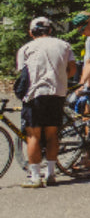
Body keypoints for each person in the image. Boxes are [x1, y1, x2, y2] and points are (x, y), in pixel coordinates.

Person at [16, 17, 77, 188]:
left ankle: (35, 177)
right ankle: (51, 174)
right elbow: (72, 69)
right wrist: (61, 79)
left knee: (33, 135)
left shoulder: (26, 48)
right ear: (50, 30)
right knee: (52, 135)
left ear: (31, 32)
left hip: (35, 95)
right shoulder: (64, 45)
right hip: (57, 94)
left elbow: (23, 76)